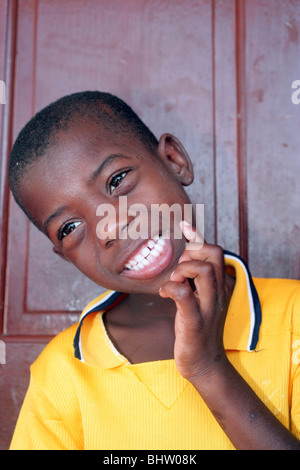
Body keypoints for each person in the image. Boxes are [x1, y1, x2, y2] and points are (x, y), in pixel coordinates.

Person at [8, 91, 300, 450]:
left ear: (174, 160)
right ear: (66, 257)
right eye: (69, 228)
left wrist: (208, 369)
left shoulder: (294, 317)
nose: (110, 226)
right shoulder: (63, 371)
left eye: (117, 181)